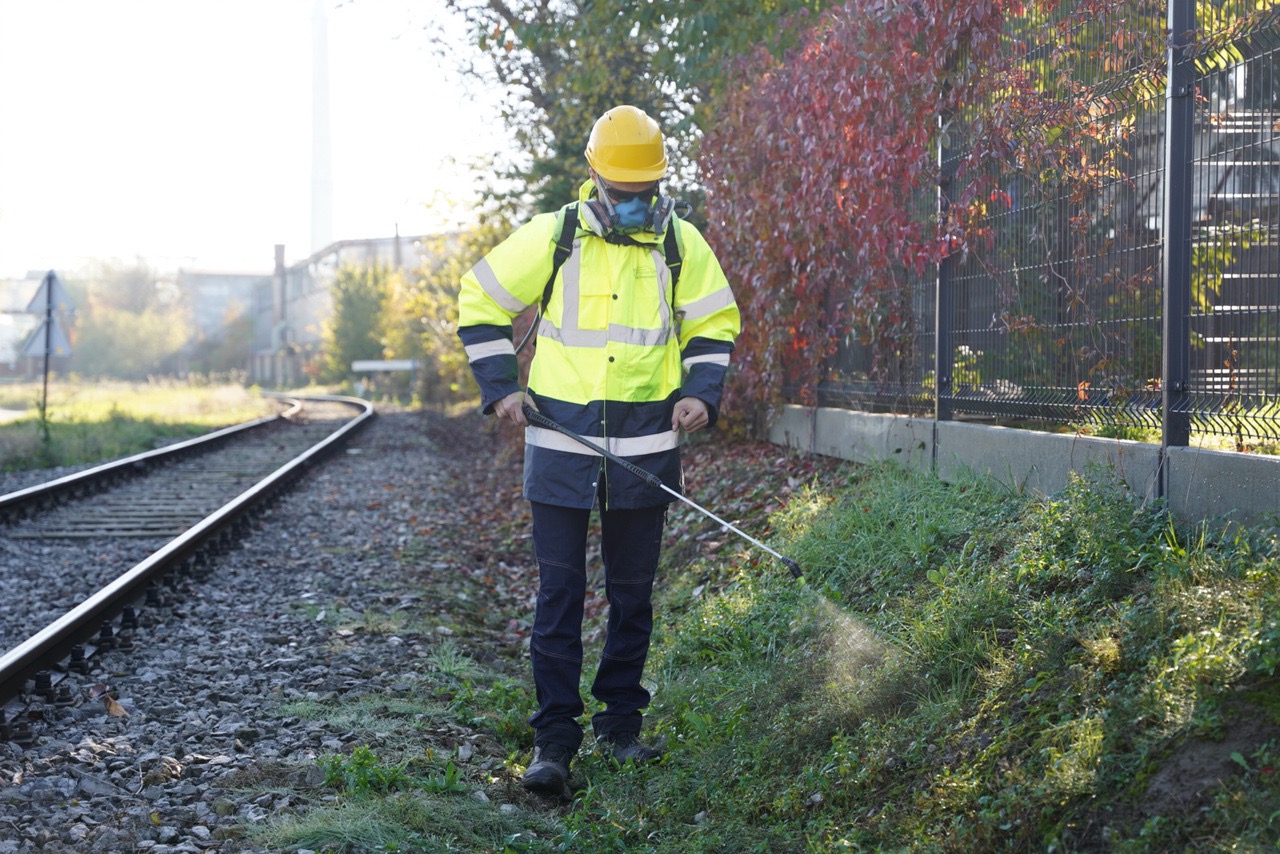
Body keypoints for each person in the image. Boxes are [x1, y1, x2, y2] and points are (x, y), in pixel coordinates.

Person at [456, 104, 741, 795]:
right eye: (622, 190)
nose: (633, 202)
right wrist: (500, 388)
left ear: (659, 184)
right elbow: (479, 297)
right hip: (560, 442)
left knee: (633, 595)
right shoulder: (554, 237)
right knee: (560, 594)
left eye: (644, 191)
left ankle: (620, 729)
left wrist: (703, 392)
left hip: (647, 447)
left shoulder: (680, 244)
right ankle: (554, 741)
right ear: (594, 176)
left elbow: (714, 321)